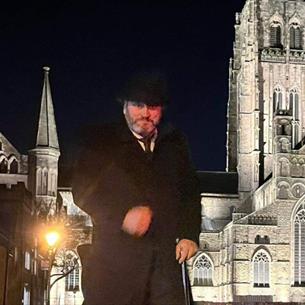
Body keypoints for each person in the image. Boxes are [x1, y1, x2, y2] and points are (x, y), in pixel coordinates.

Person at [72, 72, 201, 305]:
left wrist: (190, 234)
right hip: (115, 264)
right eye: (137, 105)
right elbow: (82, 191)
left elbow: (191, 192)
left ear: (161, 110)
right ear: (124, 107)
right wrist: (122, 216)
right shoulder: (102, 142)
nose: (145, 113)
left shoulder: (175, 143)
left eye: (152, 106)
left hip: (163, 268)